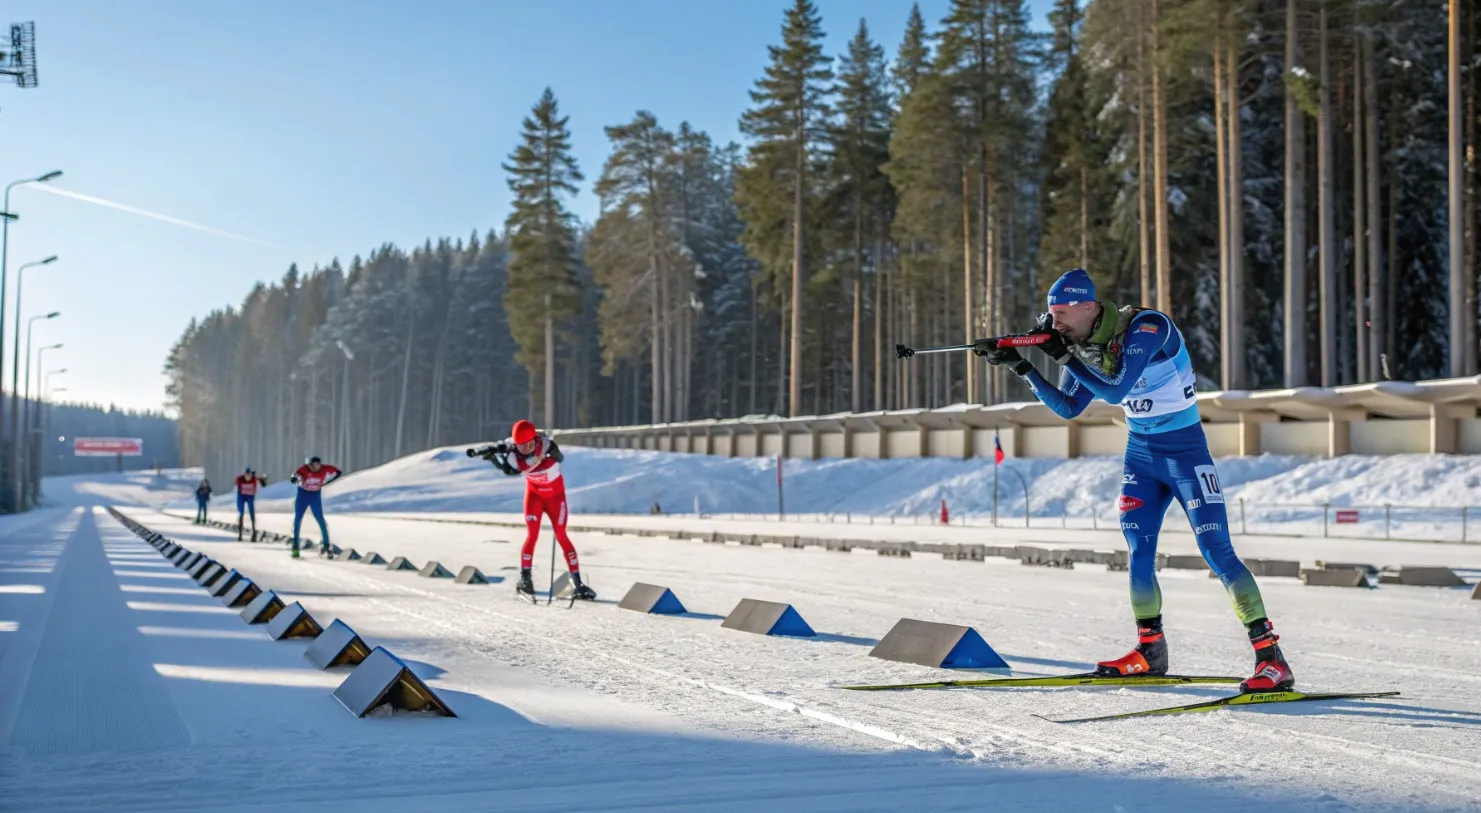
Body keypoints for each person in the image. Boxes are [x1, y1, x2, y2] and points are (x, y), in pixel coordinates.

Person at [975, 268, 1294, 693]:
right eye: (1051, 315)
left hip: (1185, 455)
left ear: (1089, 307)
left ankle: (1272, 659)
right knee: (1138, 552)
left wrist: (1063, 355)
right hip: (1141, 457)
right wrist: (1022, 366)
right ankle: (1150, 650)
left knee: (1216, 550)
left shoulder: (1147, 326)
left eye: (1063, 314)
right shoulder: (1080, 342)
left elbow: (1116, 389)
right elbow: (1070, 407)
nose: (1055, 324)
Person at [476, 419, 595, 601]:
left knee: (561, 535)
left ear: (536, 440)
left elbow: (556, 457)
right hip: (534, 497)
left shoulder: (546, 446)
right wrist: (494, 456)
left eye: (529, 445)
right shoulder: (514, 453)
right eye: (521, 446)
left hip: (556, 498)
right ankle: (526, 579)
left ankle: (578, 582)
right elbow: (509, 469)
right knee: (532, 535)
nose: (525, 449)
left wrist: (504, 455)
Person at [288, 456, 340, 559]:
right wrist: (294, 479)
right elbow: (295, 475)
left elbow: (337, 471)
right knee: (298, 520)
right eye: (313, 466)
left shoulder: (325, 468)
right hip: (303, 495)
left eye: (317, 465)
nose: (315, 468)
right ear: (310, 465)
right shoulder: (304, 469)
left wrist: (328, 482)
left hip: (315, 496)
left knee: (320, 520)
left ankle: (326, 545)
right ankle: (295, 547)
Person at [235, 467, 267, 541]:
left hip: (250, 496)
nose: (248, 477)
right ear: (245, 474)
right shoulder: (240, 479)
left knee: (252, 513)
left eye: (249, 476)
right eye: (246, 475)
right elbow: (237, 483)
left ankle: (254, 534)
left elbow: (263, 483)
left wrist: (263, 480)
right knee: (241, 513)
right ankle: (240, 534)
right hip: (241, 496)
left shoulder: (254, 479)